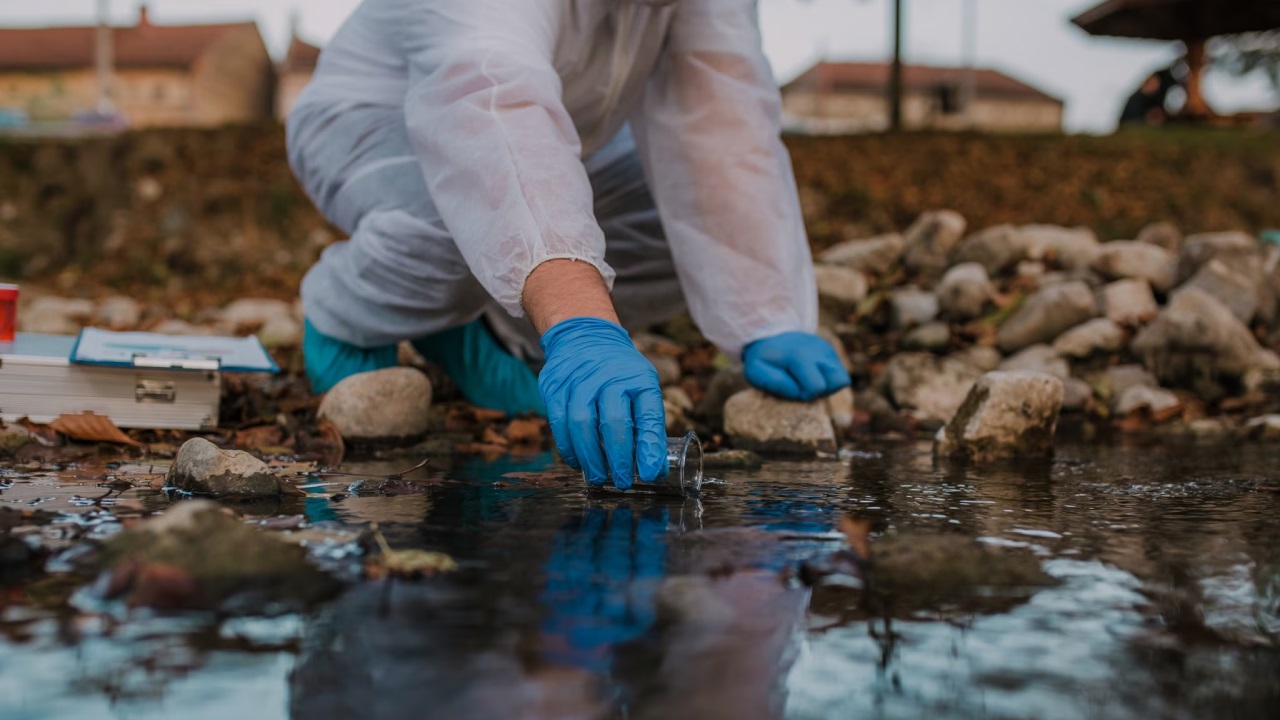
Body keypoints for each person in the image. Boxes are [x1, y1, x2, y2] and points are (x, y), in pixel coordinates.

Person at [288, 0, 850, 489]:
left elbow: (719, 121)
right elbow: (490, 110)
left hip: (567, 136)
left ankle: (485, 332)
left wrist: (765, 315)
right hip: (375, 123)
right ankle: (347, 319)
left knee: (675, 222)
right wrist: (581, 323)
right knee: (464, 222)